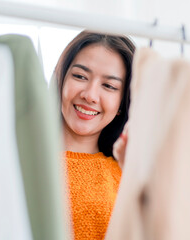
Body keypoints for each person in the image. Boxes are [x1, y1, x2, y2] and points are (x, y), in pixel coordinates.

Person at [54, 31, 135, 240]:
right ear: (61, 78)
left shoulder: (126, 178)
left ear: (121, 103)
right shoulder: (18, 156)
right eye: (80, 76)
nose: (89, 95)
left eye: (109, 86)